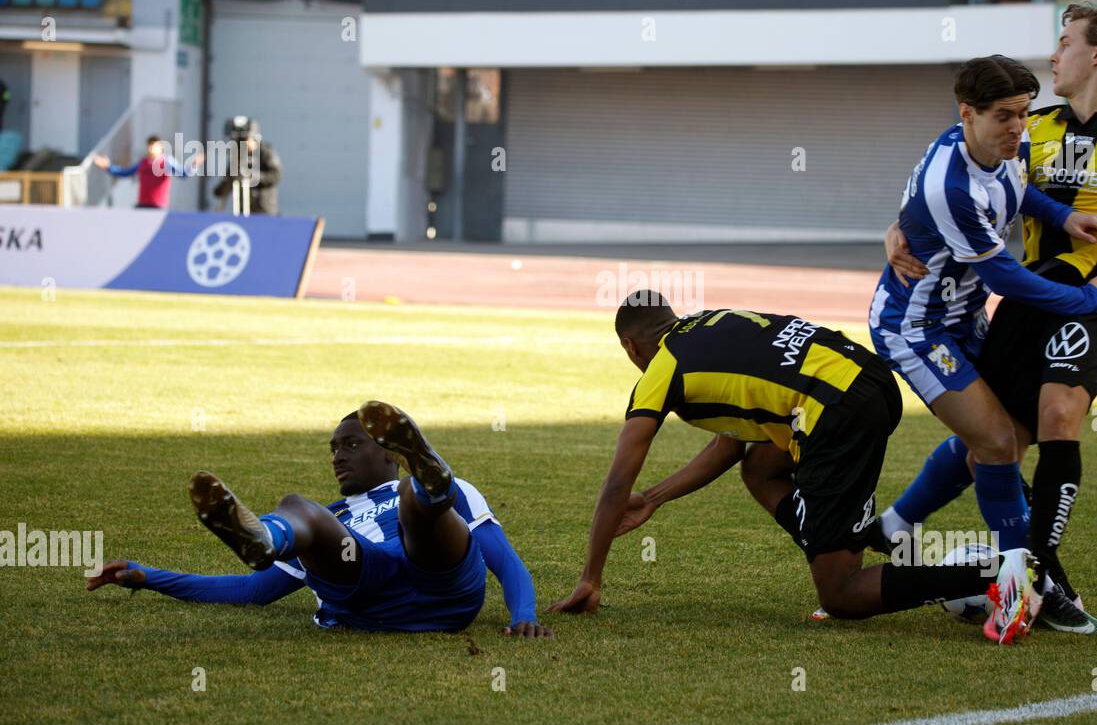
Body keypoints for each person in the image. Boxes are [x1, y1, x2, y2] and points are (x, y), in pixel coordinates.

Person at [885, 3, 1097, 630]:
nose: (1054, 55)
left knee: (1059, 414)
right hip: (1028, 295)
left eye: (1064, 43)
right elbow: (964, 184)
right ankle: (896, 530)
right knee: (991, 444)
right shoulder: (1031, 128)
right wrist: (894, 229)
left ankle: (1039, 575)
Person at [549, 291, 1044, 645]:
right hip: (865, 380)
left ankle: (994, 571)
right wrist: (655, 499)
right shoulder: (713, 322)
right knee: (762, 469)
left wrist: (591, 576)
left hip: (835, 412)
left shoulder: (660, 369)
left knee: (843, 597)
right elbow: (732, 445)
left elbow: (618, 480)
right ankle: (848, 537)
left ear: (631, 348)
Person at [867, 54, 1097, 636]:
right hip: (916, 328)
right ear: (967, 113)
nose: (1020, 128)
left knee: (999, 438)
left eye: (1025, 114)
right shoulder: (952, 185)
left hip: (962, 319)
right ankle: (1022, 589)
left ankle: (894, 527)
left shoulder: (997, 150)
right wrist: (1093, 300)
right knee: (994, 441)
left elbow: (1020, 191)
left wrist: (1066, 218)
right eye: (1005, 117)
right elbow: (1007, 279)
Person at [88, 403, 553, 638]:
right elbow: (252, 591)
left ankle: (430, 482)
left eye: (351, 445)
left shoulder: (452, 490)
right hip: (368, 591)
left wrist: (524, 615)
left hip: (442, 582)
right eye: (333, 448)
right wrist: (149, 578)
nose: (337, 456)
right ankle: (266, 537)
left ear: (392, 452)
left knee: (420, 499)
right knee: (302, 507)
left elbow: (503, 561)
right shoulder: (337, 516)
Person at [94, 135, 203, 209]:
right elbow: (125, 172)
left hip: (158, 206)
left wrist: (193, 165)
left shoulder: (166, 162)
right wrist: (108, 167)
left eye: (154, 146)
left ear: (161, 148)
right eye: (149, 146)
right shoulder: (143, 162)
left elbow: (182, 174)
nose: (151, 149)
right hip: (143, 205)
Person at [213, 116, 281, 215]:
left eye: (243, 140)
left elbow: (275, 176)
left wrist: (250, 176)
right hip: (243, 211)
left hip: (264, 210)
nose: (240, 144)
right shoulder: (238, 156)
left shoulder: (266, 152)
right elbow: (225, 185)